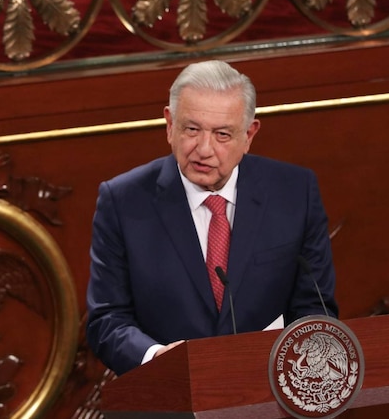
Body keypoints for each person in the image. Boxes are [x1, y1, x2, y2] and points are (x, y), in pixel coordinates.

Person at [85, 60, 339, 376]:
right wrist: (156, 357)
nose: (204, 149)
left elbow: (315, 308)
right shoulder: (122, 201)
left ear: (249, 135)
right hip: (168, 399)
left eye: (222, 134)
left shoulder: (294, 193)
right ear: (169, 125)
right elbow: (107, 320)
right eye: (192, 129)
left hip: (268, 395)